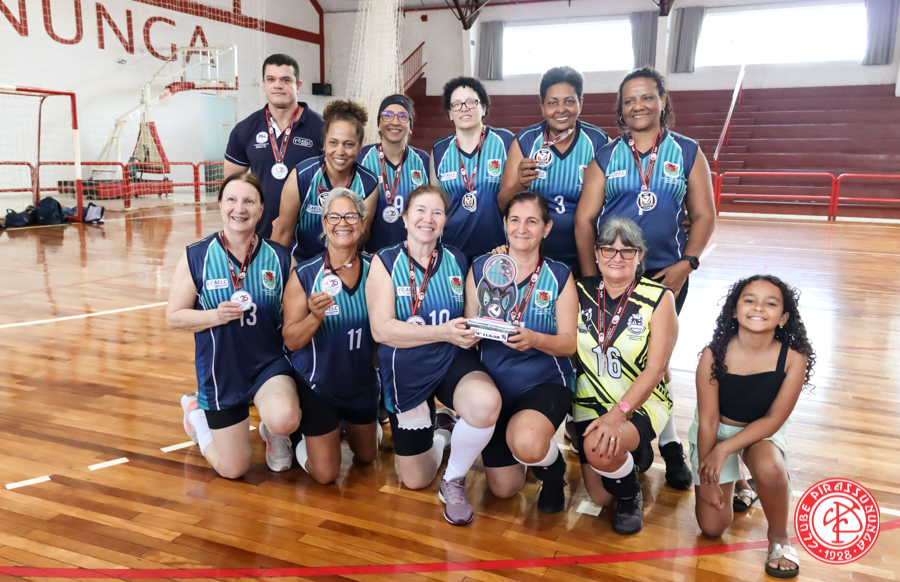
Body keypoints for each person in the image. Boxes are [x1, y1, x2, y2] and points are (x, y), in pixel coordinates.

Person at [574, 66, 716, 488]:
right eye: (630, 100)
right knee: (625, 357)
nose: (639, 106)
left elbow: (705, 214)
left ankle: (669, 445)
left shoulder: (688, 151)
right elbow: (584, 221)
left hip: (665, 274)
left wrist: (688, 262)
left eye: (647, 97)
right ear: (621, 109)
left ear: (662, 101)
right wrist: (591, 280)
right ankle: (650, 437)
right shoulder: (606, 156)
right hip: (614, 273)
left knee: (658, 362)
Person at [366, 184, 501, 526]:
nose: (428, 218)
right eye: (420, 210)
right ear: (405, 218)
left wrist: (475, 329)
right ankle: (442, 433)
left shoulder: (457, 259)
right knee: (415, 479)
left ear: (444, 222)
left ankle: (453, 479)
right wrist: (441, 332)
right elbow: (381, 330)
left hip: (450, 359)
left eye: (437, 212)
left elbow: (470, 318)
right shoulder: (384, 261)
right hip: (405, 369)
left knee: (486, 403)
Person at [166, 173, 299, 479]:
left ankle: (274, 432)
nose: (240, 208)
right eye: (232, 200)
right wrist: (214, 316)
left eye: (249, 201)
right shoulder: (197, 256)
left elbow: (296, 318)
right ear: (220, 205)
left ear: (261, 210)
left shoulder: (280, 258)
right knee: (233, 469)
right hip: (221, 370)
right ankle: (196, 415)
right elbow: (173, 316)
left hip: (268, 364)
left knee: (284, 418)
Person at [691, 275, 814, 579]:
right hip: (714, 431)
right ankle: (739, 482)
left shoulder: (793, 357)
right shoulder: (713, 354)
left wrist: (723, 451)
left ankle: (779, 537)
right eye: (749, 300)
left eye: (770, 303)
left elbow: (773, 420)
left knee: (770, 468)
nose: (758, 307)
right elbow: (708, 420)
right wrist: (708, 475)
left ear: (783, 317)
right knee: (712, 528)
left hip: (760, 432)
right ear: (734, 311)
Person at [466, 192, 576, 514]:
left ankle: (553, 472)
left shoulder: (559, 274)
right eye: (515, 220)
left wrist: (535, 339)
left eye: (532, 221)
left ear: (547, 227)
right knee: (503, 490)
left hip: (543, 381)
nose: (522, 228)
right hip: (495, 390)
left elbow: (569, 344)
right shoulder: (483, 267)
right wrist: (471, 331)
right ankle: (527, 444)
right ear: (505, 224)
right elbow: (471, 328)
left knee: (527, 444)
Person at [572, 218, 678, 535]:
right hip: (589, 401)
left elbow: (656, 369)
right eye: (608, 249)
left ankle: (631, 495)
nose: (617, 257)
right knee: (601, 497)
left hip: (641, 402)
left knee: (600, 449)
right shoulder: (578, 291)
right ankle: (632, 454)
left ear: (640, 255)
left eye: (627, 250)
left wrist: (618, 414)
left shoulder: (659, 298)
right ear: (596, 253)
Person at [282, 188, 381, 484]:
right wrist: (314, 317)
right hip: (319, 384)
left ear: (362, 222)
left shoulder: (377, 270)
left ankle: (345, 429)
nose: (343, 223)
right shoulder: (304, 275)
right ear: (324, 224)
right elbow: (291, 340)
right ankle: (293, 437)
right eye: (334, 216)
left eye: (351, 216)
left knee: (367, 456)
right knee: (325, 475)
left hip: (360, 383)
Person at [498, 67, 609, 274]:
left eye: (569, 101)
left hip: (585, 256)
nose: (561, 109)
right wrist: (520, 184)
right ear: (542, 106)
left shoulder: (599, 142)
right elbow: (503, 202)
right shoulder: (526, 140)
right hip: (533, 256)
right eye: (552, 102)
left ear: (581, 103)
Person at [224, 54, 324, 239]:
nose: (278, 85)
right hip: (260, 235)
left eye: (286, 80)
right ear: (263, 84)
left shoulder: (322, 128)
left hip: (311, 237)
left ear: (298, 85)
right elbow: (231, 186)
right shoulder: (245, 129)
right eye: (271, 79)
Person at [273, 99, 378, 262]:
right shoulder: (301, 176)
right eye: (333, 143)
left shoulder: (368, 183)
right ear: (324, 144)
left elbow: (362, 237)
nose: (340, 151)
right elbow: (282, 235)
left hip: (346, 264)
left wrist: (339, 225)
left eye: (348, 144)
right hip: (301, 264)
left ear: (359, 147)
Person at [431, 77, 514, 259]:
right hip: (451, 252)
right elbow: (434, 205)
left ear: (483, 108)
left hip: (498, 250)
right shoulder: (439, 150)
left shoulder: (505, 141)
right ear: (449, 113)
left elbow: (519, 197)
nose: (464, 108)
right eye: (456, 104)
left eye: (471, 102)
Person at [358, 94, 431, 253]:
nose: (395, 122)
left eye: (403, 116)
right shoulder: (362, 158)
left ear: (410, 126)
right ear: (378, 124)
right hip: (370, 255)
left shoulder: (423, 160)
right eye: (387, 115)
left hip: (412, 257)